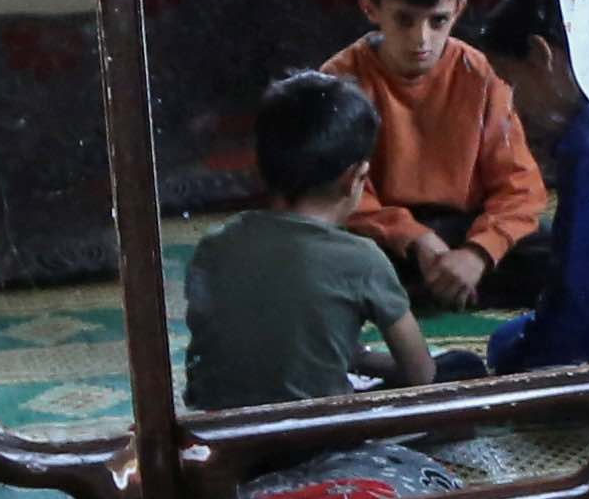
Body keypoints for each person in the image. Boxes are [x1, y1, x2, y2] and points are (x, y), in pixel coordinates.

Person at [180, 69, 438, 414]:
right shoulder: (362, 259)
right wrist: (362, 360)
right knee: (459, 367)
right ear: (355, 178)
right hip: (314, 442)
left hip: (221, 436)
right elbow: (419, 372)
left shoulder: (214, 244)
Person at [326, 0, 552, 313]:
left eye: (437, 20)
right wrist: (416, 239)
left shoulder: (478, 73)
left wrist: (479, 253)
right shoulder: (340, 79)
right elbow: (335, 188)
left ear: (459, 10)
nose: (421, 40)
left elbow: (520, 186)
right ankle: (441, 290)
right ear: (370, 9)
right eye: (404, 20)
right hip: (384, 234)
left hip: (464, 226)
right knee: (327, 260)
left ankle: (431, 290)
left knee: (560, 254)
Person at [461, 0, 589, 378]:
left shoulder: (588, 143)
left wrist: (524, 355)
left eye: (511, 82)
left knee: (505, 345)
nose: (513, 103)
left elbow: (582, 301)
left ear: (540, 55)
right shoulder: (588, 122)